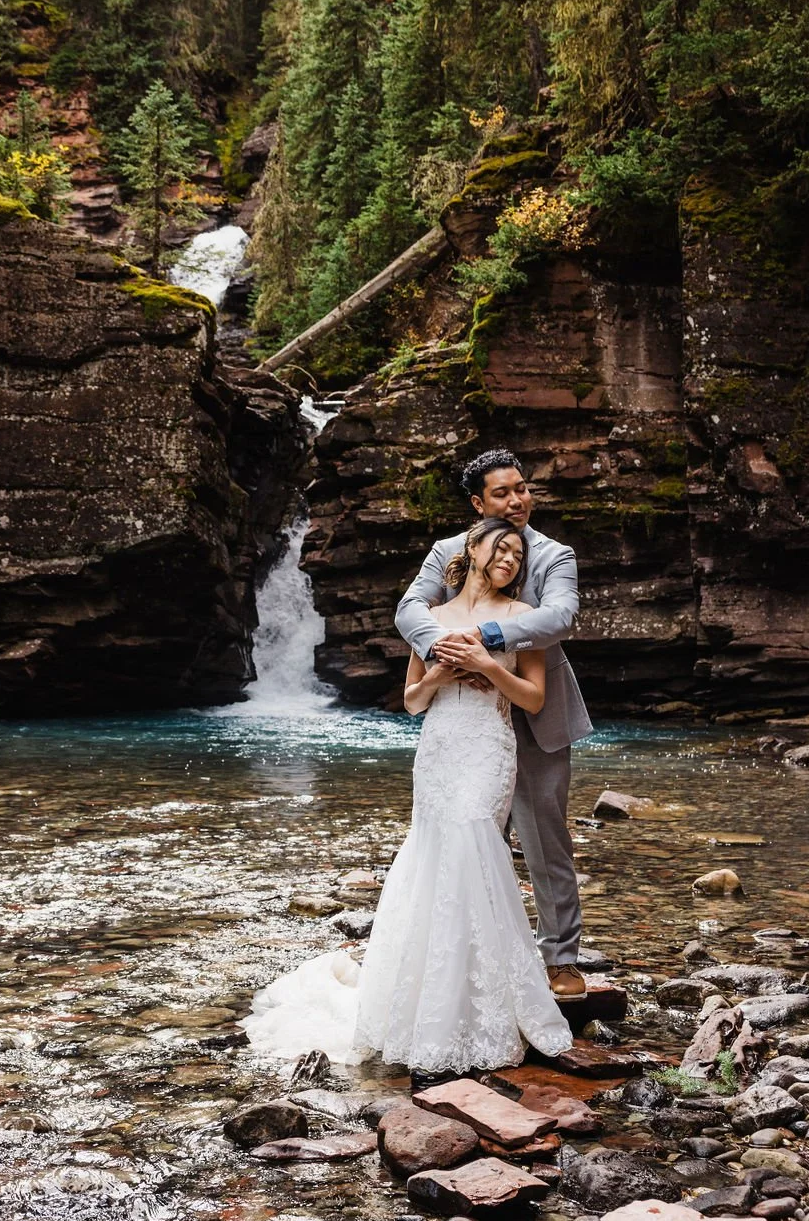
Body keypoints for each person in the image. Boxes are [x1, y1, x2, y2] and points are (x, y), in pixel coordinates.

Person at [241, 516, 573, 1075]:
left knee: (477, 851)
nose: (511, 558)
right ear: (472, 548)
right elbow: (413, 701)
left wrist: (489, 665)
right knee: (435, 862)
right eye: (502, 546)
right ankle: (423, 1010)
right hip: (440, 751)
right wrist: (445, 672)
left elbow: (535, 701)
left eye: (519, 552)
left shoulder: (523, 622)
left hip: (490, 749)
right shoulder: (431, 620)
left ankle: (486, 1010)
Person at [395, 448, 593, 1003]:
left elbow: (559, 618)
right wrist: (447, 649)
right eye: (501, 493)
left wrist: (488, 641)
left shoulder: (554, 555)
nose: (516, 500)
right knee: (469, 837)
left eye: (522, 488)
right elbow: (410, 609)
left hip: (536, 709)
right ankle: (466, 959)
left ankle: (561, 959)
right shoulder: (448, 551)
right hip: (468, 719)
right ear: (478, 504)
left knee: (544, 839)